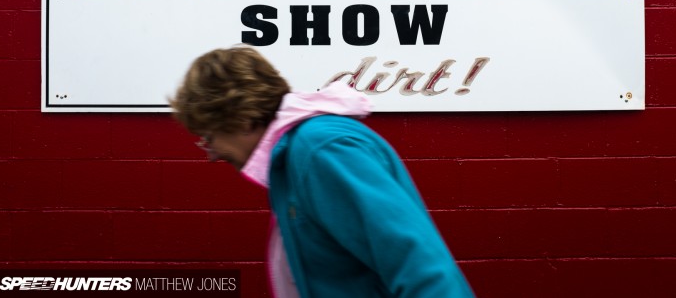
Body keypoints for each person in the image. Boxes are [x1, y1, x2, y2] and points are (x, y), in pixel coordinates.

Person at [171, 46, 475, 298]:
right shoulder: (293, 158)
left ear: (243, 118)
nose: (211, 154)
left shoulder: (321, 149)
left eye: (209, 136)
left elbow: (420, 265)